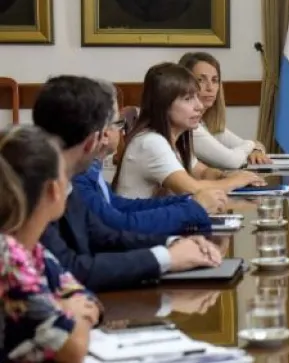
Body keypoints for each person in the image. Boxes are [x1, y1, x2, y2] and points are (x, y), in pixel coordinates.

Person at [33, 75, 221, 292]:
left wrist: (174, 243)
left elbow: (105, 237)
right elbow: (71, 270)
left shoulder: (65, 180)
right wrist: (167, 257)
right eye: (117, 123)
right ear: (96, 138)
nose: (118, 131)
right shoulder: (37, 186)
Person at [72, 80, 222, 236]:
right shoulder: (78, 178)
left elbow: (119, 205)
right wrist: (192, 207)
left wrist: (188, 202)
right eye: (118, 123)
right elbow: (119, 225)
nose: (122, 132)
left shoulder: (88, 170)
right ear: (104, 133)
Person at [0, 125, 98, 362]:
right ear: (54, 189)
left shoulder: (33, 248)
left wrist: (60, 310)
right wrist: (64, 310)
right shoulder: (7, 254)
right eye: (65, 175)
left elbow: (87, 298)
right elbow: (72, 350)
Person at [114, 62, 263, 198]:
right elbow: (192, 189)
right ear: (163, 105)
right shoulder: (150, 142)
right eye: (188, 99)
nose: (199, 106)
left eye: (197, 97)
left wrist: (225, 176)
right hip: (140, 227)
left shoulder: (173, 139)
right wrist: (235, 181)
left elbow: (202, 172)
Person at [178, 52, 270, 169]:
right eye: (201, 80)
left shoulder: (207, 123)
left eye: (215, 80)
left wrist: (256, 150)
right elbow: (231, 161)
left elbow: (252, 145)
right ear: (184, 84)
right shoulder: (189, 127)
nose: (210, 87)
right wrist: (251, 145)